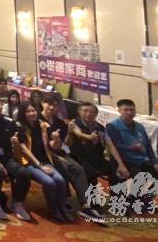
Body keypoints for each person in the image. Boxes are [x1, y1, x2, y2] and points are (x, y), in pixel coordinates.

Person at [40, 94, 101, 222]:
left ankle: (85, 204)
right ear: (42, 104)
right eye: (49, 104)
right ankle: (64, 201)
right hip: (42, 155)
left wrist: (69, 132)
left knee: (78, 168)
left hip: (59, 153)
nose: (52, 107)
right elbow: (39, 145)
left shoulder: (59, 122)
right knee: (63, 168)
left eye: (55, 105)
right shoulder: (37, 120)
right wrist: (56, 155)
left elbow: (66, 144)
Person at [106, 98, 158, 209]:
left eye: (132, 110)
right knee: (140, 177)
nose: (129, 112)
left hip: (141, 160)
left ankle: (142, 200)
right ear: (119, 110)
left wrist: (155, 163)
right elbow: (114, 146)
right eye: (126, 110)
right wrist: (131, 147)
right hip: (123, 160)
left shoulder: (139, 126)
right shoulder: (112, 126)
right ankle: (126, 200)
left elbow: (148, 146)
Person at [15, 102, 69, 223]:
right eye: (28, 111)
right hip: (29, 162)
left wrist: (56, 139)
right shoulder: (19, 126)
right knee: (49, 182)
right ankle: (53, 209)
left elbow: (51, 146)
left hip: (44, 160)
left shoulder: (41, 124)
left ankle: (61, 207)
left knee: (60, 180)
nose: (32, 113)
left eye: (33, 111)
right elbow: (23, 149)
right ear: (23, 113)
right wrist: (39, 165)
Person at [68, 102, 110, 186]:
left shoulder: (100, 127)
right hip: (79, 158)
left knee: (116, 170)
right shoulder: (74, 123)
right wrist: (90, 137)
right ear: (79, 112)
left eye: (92, 111)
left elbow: (107, 144)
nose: (89, 114)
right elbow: (77, 136)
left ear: (96, 114)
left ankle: (116, 193)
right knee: (89, 172)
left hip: (97, 157)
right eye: (85, 111)